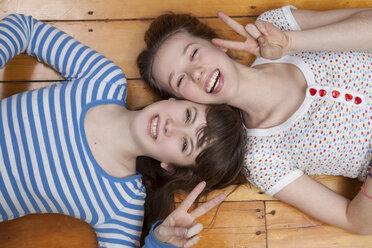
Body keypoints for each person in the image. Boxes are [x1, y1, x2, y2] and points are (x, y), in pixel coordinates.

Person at [0, 14, 247, 247]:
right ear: (175, 99)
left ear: (169, 166)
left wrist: (158, 242)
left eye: (185, 145)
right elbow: (26, 29)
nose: (173, 127)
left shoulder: (122, 204)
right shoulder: (104, 80)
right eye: (188, 115)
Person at [137, 6, 372, 234]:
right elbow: (356, 221)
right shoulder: (260, 159)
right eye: (179, 80)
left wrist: (291, 43)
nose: (196, 72)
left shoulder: (274, 27)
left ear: (217, 44)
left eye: (194, 53)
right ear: (183, 100)